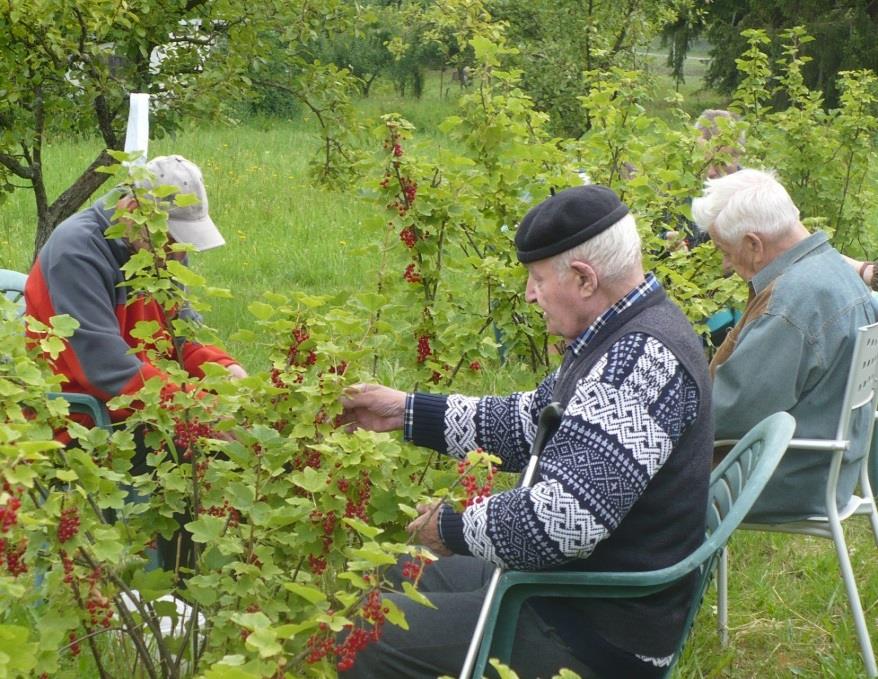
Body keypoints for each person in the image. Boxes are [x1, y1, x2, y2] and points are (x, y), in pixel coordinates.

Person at [341, 185, 714, 678]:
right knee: (386, 571)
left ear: (583, 278)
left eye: (537, 278)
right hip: (568, 593)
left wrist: (451, 527)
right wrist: (404, 412)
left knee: (349, 637)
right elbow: (528, 421)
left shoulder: (639, 363)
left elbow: (560, 523)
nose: (530, 294)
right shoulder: (622, 331)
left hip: (593, 634)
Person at [25, 154, 247, 569]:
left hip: (140, 403)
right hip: (81, 417)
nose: (177, 252)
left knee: (242, 438)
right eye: (169, 238)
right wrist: (202, 411)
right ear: (130, 212)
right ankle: (173, 589)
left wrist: (228, 373)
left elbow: (181, 339)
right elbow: (105, 371)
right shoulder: (77, 251)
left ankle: (187, 587)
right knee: (201, 447)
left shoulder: (158, 246)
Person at [691, 168, 877, 521]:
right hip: (830, 468)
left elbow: (727, 414)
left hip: (787, 477)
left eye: (725, 252)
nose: (726, 265)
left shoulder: (795, 298)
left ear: (753, 244)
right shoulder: (833, 270)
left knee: (638, 493)